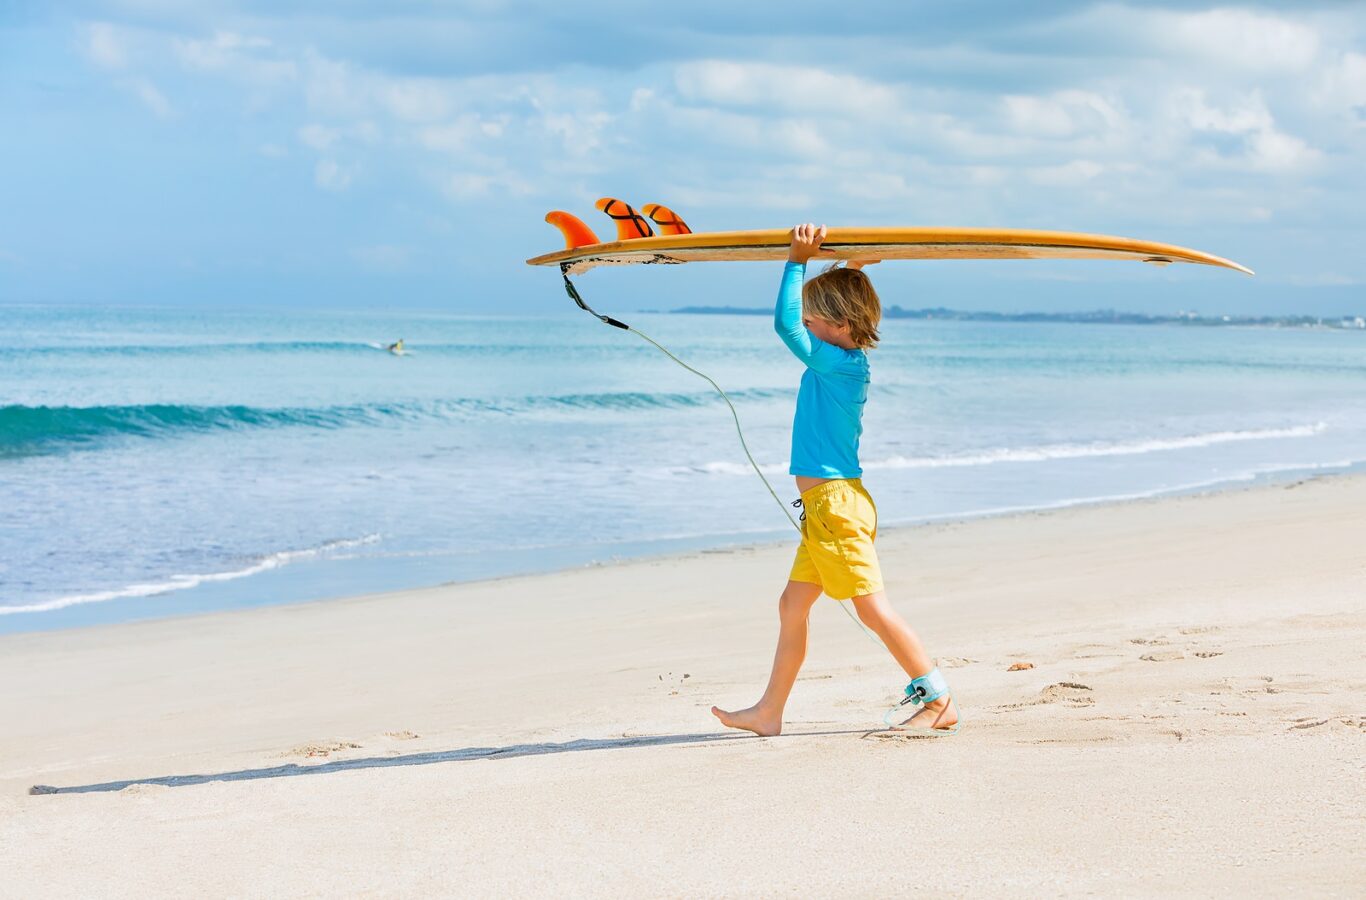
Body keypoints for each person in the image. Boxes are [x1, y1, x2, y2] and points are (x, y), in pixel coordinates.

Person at [711, 223, 958, 735]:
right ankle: (769, 712)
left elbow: (784, 328)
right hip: (829, 507)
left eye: (812, 316)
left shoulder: (835, 365)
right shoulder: (846, 360)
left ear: (839, 323)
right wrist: (849, 269)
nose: (804, 321)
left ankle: (938, 698)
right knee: (792, 605)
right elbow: (821, 316)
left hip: (834, 506)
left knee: (872, 608)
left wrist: (796, 260)